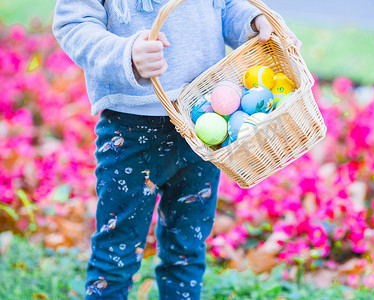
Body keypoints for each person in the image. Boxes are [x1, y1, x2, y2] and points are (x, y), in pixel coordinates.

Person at [52, 0, 301, 299]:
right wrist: (126, 54)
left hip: (204, 122)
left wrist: (255, 20)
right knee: (115, 258)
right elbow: (73, 22)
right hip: (131, 131)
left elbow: (227, 5)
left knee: (186, 254)